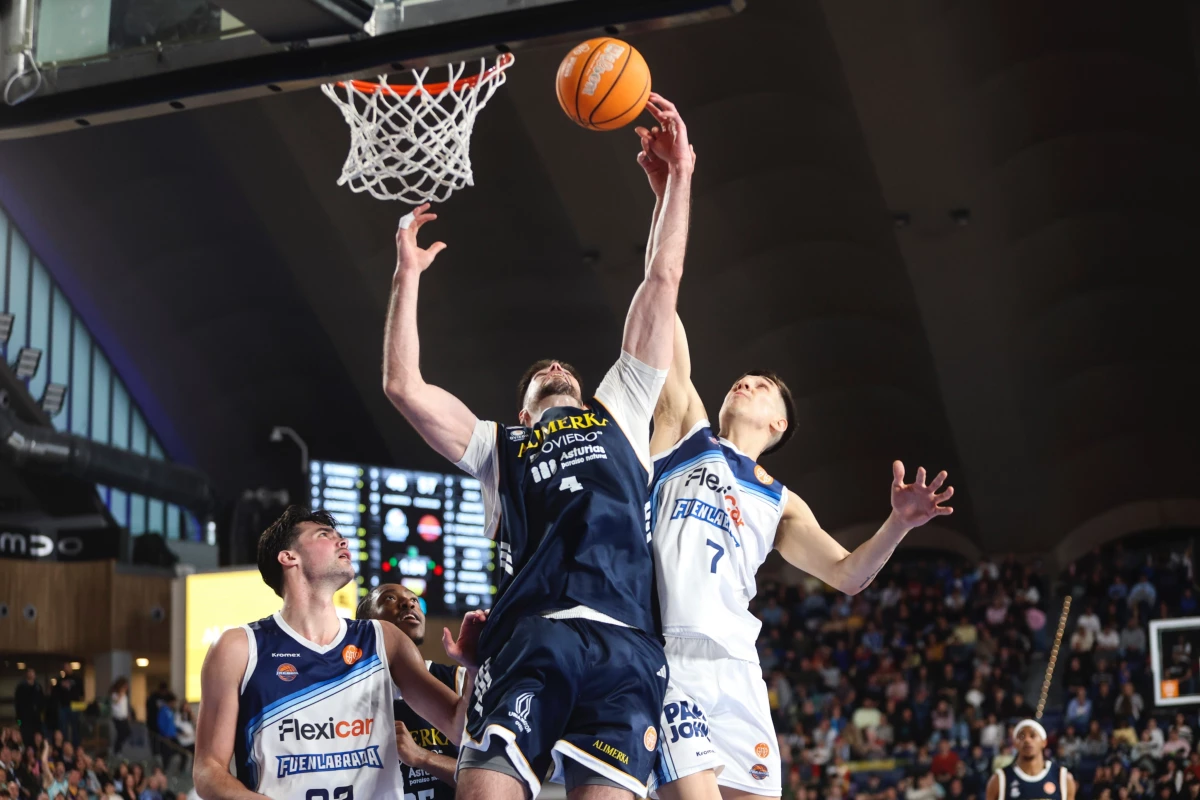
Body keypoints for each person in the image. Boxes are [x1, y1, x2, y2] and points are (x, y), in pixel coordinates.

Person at [380, 93, 693, 800]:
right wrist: (407, 278)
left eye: (564, 369)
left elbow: (661, 281)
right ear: (522, 408)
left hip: (624, 643)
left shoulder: (624, 409)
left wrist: (681, 179)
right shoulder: (499, 446)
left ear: (587, 388)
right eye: (539, 375)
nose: (554, 366)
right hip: (531, 638)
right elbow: (404, 385)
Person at [647, 313, 952, 798]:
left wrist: (899, 523)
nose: (744, 382)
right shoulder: (685, 434)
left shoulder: (782, 502)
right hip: (669, 655)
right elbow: (664, 319)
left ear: (778, 423)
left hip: (738, 666)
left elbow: (849, 575)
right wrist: (665, 252)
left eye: (761, 385)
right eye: (741, 380)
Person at [193, 507, 483, 800]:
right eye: (324, 535)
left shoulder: (383, 638)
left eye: (340, 536)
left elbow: (460, 731)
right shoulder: (238, 648)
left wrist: (473, 667)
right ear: (288, 557)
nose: (342, 541)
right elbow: (208, 770)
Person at [358, 583, 463, 800]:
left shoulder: (459, 680)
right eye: (389, 599)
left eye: (415, 600)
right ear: (365, 624)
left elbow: (492, 775)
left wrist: (422, 757)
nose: (409, 603)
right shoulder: (347, 693)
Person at [987, 720, 1075, 800]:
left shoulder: (1063, 778)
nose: (1027, 740)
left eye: (1033, 736)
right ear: (1015, 744)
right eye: (1021, 736)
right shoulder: (999, 779)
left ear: (1044, 742)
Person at [13, 672, 43, 741]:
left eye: (33, 674)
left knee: (36, 736)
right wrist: (19, 722)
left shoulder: (37, 686)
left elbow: (41, 701)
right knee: (25, 735)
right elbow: (17, 704)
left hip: (35, 718)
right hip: (24, 718)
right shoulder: (21, 687)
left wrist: (39, 711)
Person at [108, 679, 132, 757]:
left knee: (127, 732)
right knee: (120, 734)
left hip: (124, 717)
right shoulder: (114, 694)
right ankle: (116, 750)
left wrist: (127, 714)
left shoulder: (125, 695)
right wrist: (120, 695)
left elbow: (124, 706)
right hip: (117, 717)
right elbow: (115, 702)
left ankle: (118, 748)